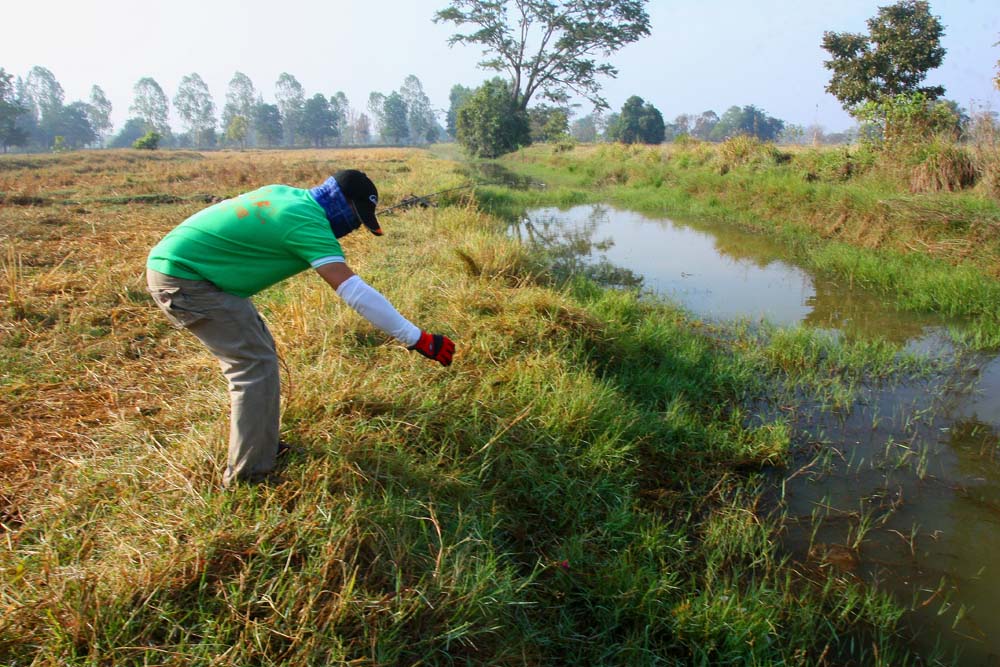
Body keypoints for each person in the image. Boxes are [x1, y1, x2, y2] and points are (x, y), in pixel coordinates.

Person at [146, 170, 455, 487]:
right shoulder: (308, 222)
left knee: (261, 355)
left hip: (186, 268)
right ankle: (248, 476)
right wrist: (417, 338)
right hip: (185, 278)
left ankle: (261, 448)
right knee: (252, 366)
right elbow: (354, 292)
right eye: (354, 217)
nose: (350, 227)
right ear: (339, 201)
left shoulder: (288, 195)